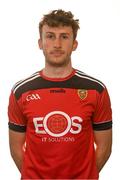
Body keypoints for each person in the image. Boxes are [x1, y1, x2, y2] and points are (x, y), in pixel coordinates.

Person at [8, 9, 112, 179]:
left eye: (64, 37)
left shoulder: (96, 90)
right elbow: (16, 149)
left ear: (74, 44)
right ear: (40, 43)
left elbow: (105, 148)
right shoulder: (21, 91)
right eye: (50, 36)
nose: (57, 44)